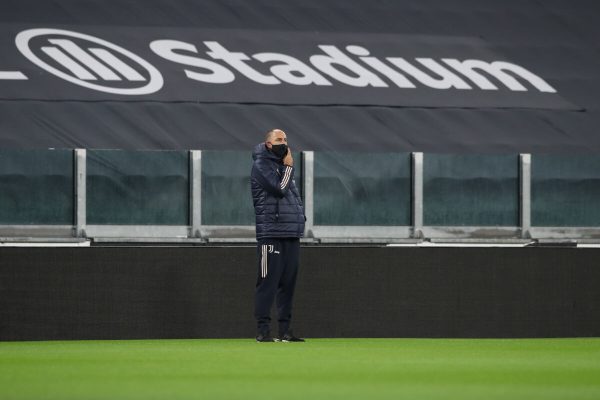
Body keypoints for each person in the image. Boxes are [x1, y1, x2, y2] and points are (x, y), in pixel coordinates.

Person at [250, 129, 306, 342]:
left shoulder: (282, 166)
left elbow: (293, 200)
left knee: (288, 284)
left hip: (291, 232)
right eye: (279, 140)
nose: (284, 143)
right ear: (268, 144)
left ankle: (285, 331)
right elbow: (279, 189)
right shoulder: (261, 166)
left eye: (285, 139)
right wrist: (289, 166)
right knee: (267, 282)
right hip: (270, 233)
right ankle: (263, 331)